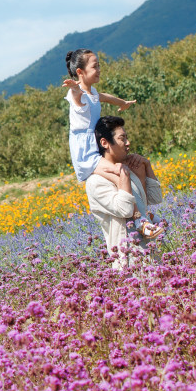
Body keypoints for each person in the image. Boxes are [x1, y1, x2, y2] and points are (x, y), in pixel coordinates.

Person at [64, 48, 162, 238]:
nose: (99, 69)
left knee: (123, 171)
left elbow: (104, 97)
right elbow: (76, 96)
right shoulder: (77, 94)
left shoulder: (92, 92)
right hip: (86, 153)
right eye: (95, 66)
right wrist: (74, 88)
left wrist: (121, 103)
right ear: (80, 72)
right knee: (119, 173)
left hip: (95, 146)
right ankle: (140, 219)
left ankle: (144, 215)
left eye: (99, 65)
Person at [86, 116, 164, 268]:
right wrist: (123, 177)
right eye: (122, 138)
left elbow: (155, 198)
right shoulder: (96, 182)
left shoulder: (128, 171)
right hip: (129, 261)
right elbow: (126, 209)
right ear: (105, 143)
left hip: (151, 254)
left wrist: (146, 167)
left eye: (127, 138)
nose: (128, 143)